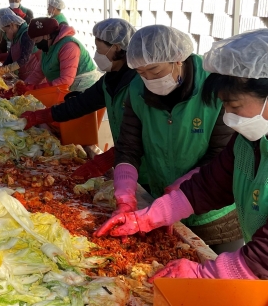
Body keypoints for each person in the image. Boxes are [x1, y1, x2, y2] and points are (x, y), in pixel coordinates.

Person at [96, 29, 268, 281]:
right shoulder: (247, 142)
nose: (229, 118)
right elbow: (209, 185)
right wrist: (149, 217)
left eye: (235, 106)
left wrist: (207, 273)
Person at [107, 24, 241, 253]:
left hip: (214, 211)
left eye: (156, 71)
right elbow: (129, 146)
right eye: (141, 72)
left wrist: (179, 192)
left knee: (215, 271)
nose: (149, 79)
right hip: (163, 206)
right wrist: (125, 193)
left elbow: (221, 155)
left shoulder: (214, 87)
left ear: (178, 58)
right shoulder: (136, 90)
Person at [24, 18, 137, 178]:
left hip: (141, 160)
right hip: (128, 157)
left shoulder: (136, 83)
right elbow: (81, 103)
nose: (96, 54)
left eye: (99, 49)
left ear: (116, 48)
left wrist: (107, 159)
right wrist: (43, 115)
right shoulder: (109, 79)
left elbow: (141, 134)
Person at [24, 17, 99, 92]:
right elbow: (38, 73)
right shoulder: (48, 47)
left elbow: (66, 80)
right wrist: (25, 85)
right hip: (63, 88)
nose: (36, 44)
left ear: (47, 35)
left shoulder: (68, 46)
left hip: (83, 88)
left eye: (37, 40)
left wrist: (38, 88)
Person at [0, 8, 35, 79]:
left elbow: (24, 59)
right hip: (23, 74)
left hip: (33, 76)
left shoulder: (26, 35)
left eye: (5, 31)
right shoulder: (16, 36)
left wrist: (6, 69)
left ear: (12, 25)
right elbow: (11, 56)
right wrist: (3, 67)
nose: (5, 34)